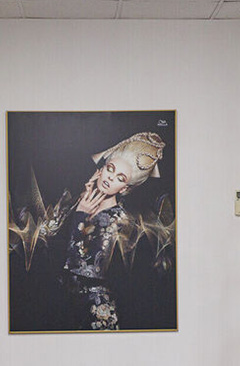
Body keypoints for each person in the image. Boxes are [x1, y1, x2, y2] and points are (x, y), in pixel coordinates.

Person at [61, 132, 165, 330]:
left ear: (124, 188)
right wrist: (79, 206)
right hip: (68, 307)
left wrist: (80, 216)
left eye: (120, 178)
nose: (110, 177)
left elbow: (83, 268)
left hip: (96, 314)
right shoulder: (81, 201)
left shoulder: (117, 220)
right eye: (110, 169)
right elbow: (50, 235)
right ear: (101, 169)